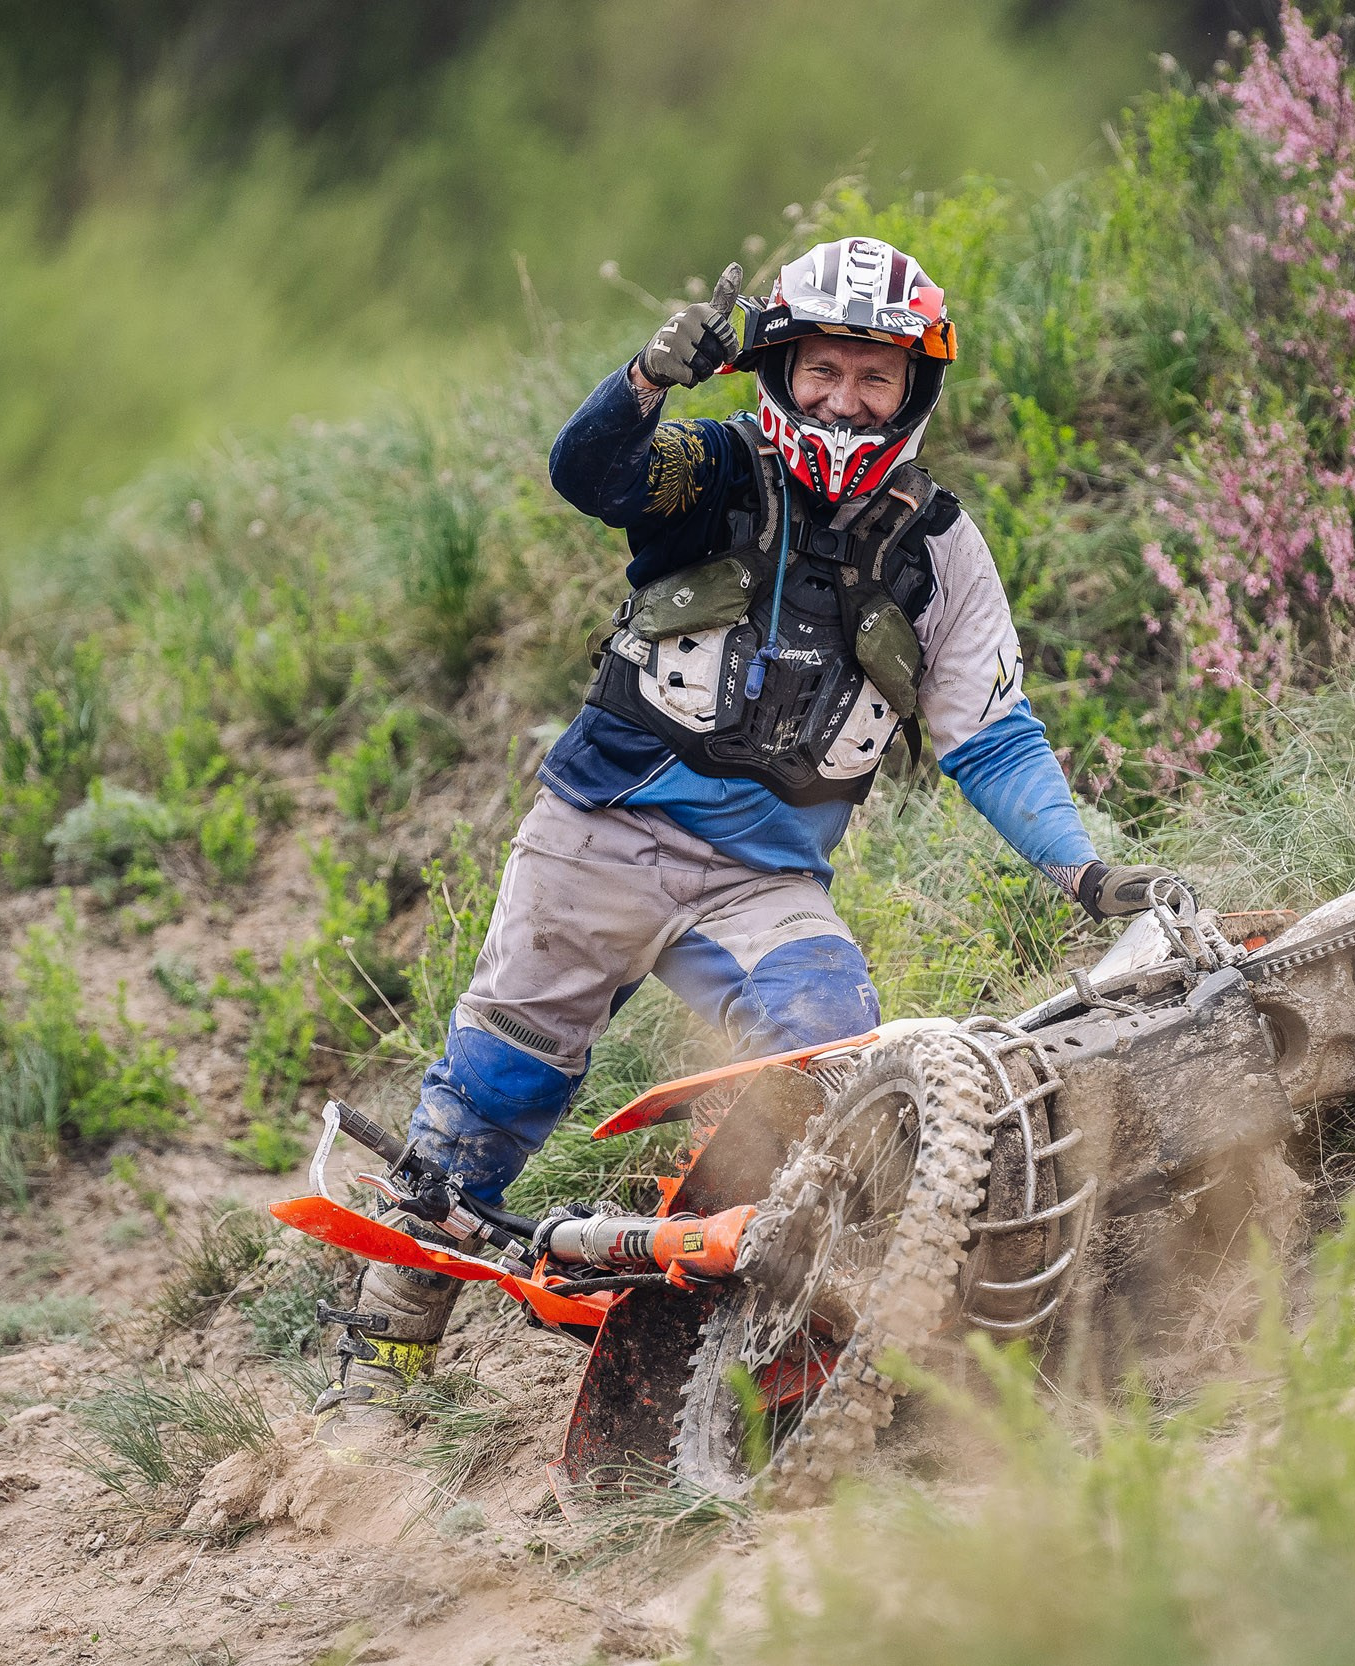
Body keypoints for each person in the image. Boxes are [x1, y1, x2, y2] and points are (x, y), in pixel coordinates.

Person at [318, 235, 1173, 1422]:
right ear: (779, 366)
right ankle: (376, 1371)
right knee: (489, 1093)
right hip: (599, 831)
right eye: (823, 368)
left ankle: (767, 1323)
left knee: (835, 1059)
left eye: (875, 378)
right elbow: (589, 474)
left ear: (914, 392)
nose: (845, 398)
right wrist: (644, 383)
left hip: (765, 877)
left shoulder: (940, 548)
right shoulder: (711, 469)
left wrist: (1083, 868)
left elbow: (992, 730)